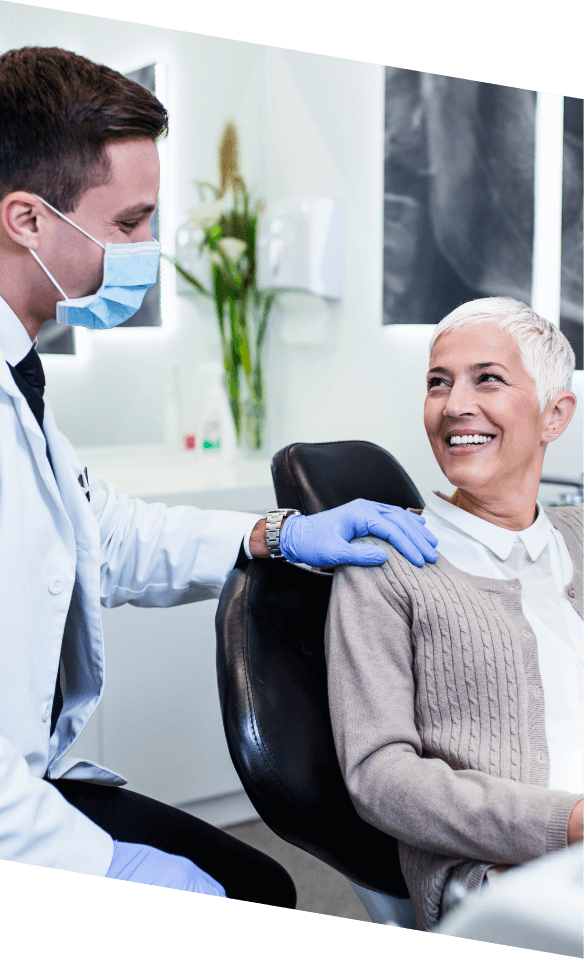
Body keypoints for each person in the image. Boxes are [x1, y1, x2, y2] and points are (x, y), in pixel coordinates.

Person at [0, 46, 440, 905]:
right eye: (129, 224)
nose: (151, 249)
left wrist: (272, 531)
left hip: (30, 775)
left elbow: (103, 532)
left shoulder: (21, 381)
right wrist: (105, 862)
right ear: (26, 219)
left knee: (260, 883)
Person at [324, 296, 583, 932]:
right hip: (504, 873)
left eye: (486, 378)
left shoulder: (576, 537)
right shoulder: (387, 565)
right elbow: (379, 776)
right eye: (438, 383)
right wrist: (568, 821)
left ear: (556, 414)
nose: (454, 404)